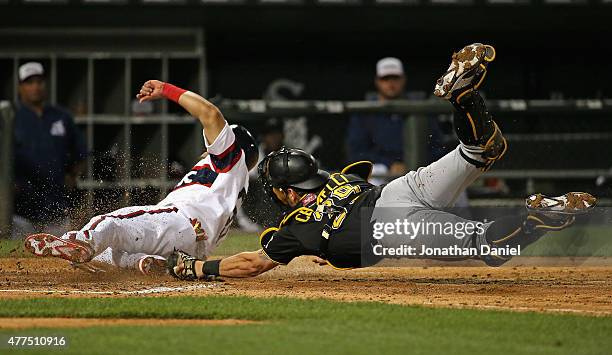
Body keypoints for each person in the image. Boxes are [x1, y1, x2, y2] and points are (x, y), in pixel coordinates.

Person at [165, 43, 596, 280]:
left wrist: (196, 267)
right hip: (399, 189)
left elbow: (251, 264)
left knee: (490, 246)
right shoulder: (339, 179)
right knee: (483, 150)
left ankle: (538, 215)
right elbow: (358, 179)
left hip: (390, 227)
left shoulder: (295, 230)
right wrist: (325, 246)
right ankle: (466, 98)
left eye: (279, 190)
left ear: (288, 192)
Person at [23, 80, 259, 275]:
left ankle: (79, 240)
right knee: (112, 252)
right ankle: (142, 263)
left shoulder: (231, 156)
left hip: (180, 221)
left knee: (113, 223)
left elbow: (210, 113)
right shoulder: (235, 183)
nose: (207, 143)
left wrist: (167, 90)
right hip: (194, 249)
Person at [12, 62, 88, 239]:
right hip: (21, 209)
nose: (35, 87)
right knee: (19, 260)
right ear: (20, 87)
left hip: (57, 205)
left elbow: (80, 152)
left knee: (61, 257)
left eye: (39, 82)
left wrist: (73, 176)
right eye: (29, 83)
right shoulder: (11, 117)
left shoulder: (61, 116)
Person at [347, 57, 444, 183]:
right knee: (376, 171)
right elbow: (357, 153)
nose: (391, 83)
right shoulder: (365, 113)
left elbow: (437, 147)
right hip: (383, 171)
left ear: (403, 79)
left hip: (419, 169)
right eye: (385, 79)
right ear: (377, 81)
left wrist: (413, 163)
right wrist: (389, 164)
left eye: (395, 78)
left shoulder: (420, 110)